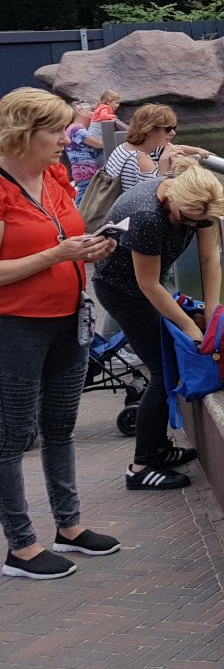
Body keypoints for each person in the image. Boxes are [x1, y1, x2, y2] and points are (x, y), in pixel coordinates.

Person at [0, 88, 120, 579]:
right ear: (23, 134)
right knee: (11, 438)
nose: (67, 140)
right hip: (16, 327)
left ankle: (68, 527)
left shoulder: (53, 175)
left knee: (60, 428)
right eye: (57, 131)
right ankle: (20, 546)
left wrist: (90, 250)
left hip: (69, 318)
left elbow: (61, 236)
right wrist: (57, 255)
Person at [92, 157, 224, 491]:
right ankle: (142, 466)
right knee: (162, 371)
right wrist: (192, 328)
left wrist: (212, 311)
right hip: (123, 290)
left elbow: (210, 260)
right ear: (172, 203)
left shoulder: (200, 207)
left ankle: (159, 449)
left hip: (151, 284)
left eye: (202, 223)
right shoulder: (148, 216)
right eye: (191, 222)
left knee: (169, 364)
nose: (196, 229)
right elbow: (148, 285)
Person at [100, 104, 211, 192]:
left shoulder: (124, 148)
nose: (173, 133)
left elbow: (176, 148)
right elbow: (153, 197)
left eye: (174, 128)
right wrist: (163, 163)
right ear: (149, 129)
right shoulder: (141, 159)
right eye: (168, 129)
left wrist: (198, 150)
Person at [64, 102, 103, 200]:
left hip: (83, 171)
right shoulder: (76, 129)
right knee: (83, 201)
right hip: (85, 171)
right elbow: (98, 144)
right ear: (80, 111)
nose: (93, 112)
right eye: (90, 110)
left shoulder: (72, 128)